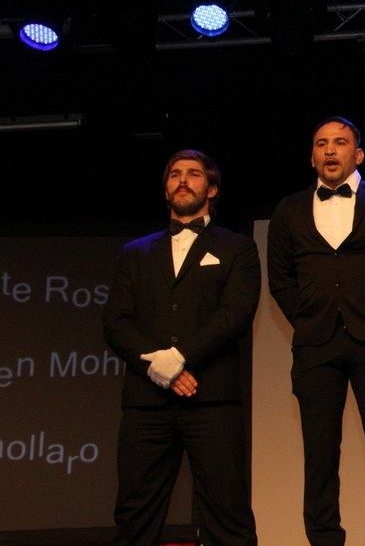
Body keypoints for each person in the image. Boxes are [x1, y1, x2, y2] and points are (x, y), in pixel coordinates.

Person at [267, 116, 365, 546]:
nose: (330, 150)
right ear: (312, 157)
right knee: (319, 452)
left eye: (339, 142)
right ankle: (324, 538)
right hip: (315, 345)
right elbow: (280, 279)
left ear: (358, 154)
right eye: (321, 144)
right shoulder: (289, 209)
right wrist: (307, 317)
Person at [103, 149, 259, 546]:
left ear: (212, 189)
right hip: (146, 402)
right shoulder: (135, 252)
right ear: (166, 189)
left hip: (212, 399)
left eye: (193, 173)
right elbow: (116, 322)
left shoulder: (238, 248)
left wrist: (178, 357)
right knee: (135, 516)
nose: (183, 180)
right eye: (175, 174)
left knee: (228, 513)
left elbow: (235, 315)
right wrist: (158, 365)